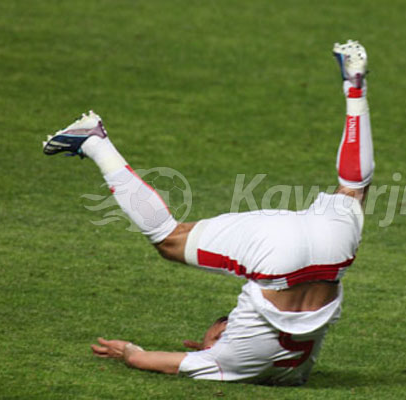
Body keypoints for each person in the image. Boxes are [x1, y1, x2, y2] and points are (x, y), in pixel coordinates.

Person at [43, 40, 374, 386]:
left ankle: (355, 90)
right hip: (276, 256)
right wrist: (129, 351)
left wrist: (208, 345)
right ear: (215, 338)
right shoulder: (225, 362)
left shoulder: (296, 369)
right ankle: (94, 141)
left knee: (353, 187)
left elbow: (274, 362)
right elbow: (147, 359)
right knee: (169, 240)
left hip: (332, 256)